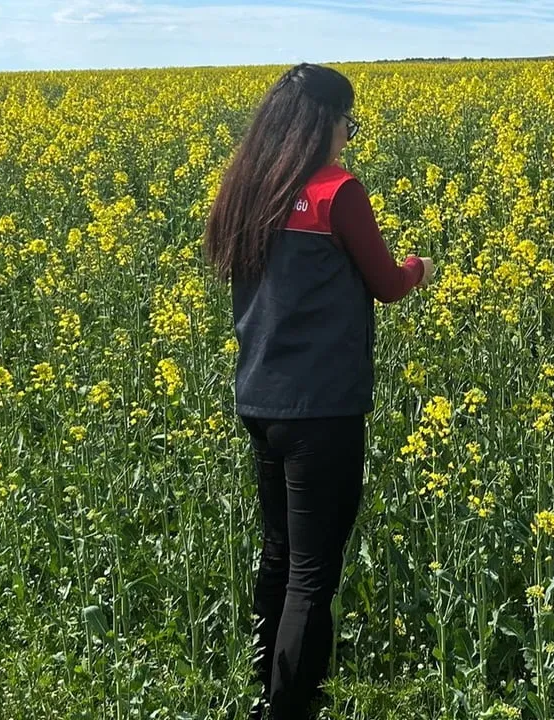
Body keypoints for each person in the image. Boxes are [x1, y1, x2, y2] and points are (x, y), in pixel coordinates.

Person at [202, 62, 435, 719]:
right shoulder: (337, 191)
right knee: (312, 572)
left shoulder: (247, 188)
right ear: (321, 123)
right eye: (345, 121)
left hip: (260, 399)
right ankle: (289, 710)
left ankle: (265, 690)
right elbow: (387, 283)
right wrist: (419, 267)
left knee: (278, 557)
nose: (346, 135)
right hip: (322, 409)